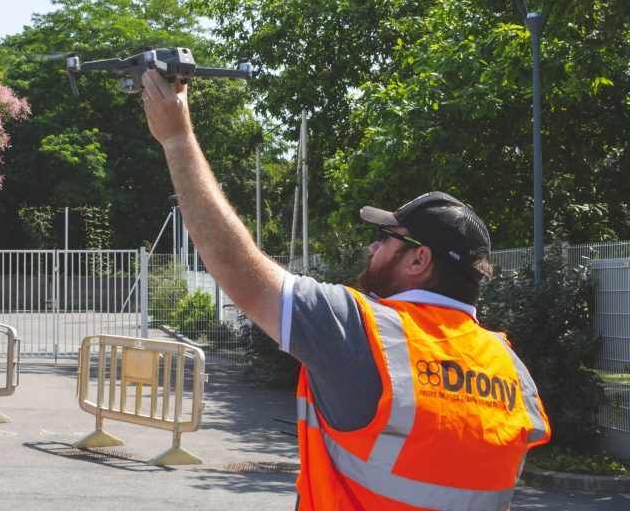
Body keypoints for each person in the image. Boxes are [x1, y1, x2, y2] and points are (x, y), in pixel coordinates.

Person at [141, 69, 550, 511]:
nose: (373, 246)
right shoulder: (512, 371)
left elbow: (239, 268)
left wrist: (178, 140)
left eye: (388, 238)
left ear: (419, 260)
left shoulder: (366, 331)